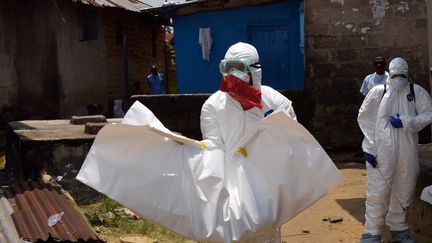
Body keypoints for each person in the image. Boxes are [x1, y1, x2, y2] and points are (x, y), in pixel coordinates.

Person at [200, 42, 297, 242]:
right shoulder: (213, 106)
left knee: (267, 232)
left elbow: (293, 140)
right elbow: (213, 149)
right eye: (228, 70)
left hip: (267, 182)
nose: (233, 78)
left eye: (240, 71)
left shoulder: (275, 101)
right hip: (232, 184)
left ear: (255, 71)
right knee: (234, 233)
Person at [358, 57, 432, 243]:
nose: (399, 78)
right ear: (390, 74)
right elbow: (365, 118)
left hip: (407, 151)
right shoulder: (378, 92)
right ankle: (371, 234)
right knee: (378, 191)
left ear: (407, 74)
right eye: (395, 75)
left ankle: (400, 231)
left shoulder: (416, 92)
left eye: (402, 75)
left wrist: (408, 122)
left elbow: (428, 114)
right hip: (381, 153)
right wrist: (368, 147)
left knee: (404, 190)